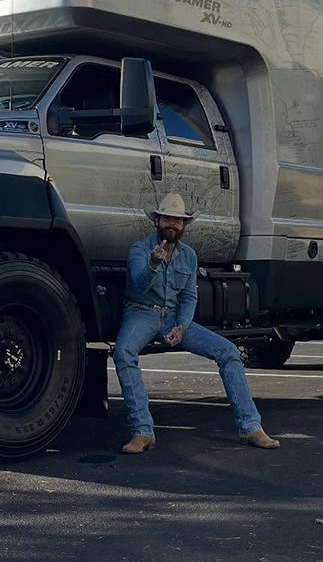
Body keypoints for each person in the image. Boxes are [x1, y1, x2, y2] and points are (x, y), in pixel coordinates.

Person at [113, 193, 281, 454]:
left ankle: (250, 427)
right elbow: (139, 283)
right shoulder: (140, 249)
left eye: (178, 221)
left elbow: (189, 296)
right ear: (157, 220)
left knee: (228, 351)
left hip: (172, 316)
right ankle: (143, 432)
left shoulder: (189, 256)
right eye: (168, 218)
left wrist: (181, 326)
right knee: (123, 352)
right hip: (140, 312)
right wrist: (154, 264)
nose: (173, 224)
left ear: (184, 226)